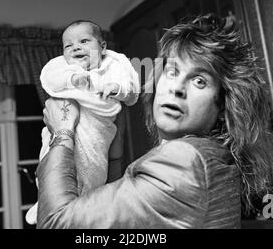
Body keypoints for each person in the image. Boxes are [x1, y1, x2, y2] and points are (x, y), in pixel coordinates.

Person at [36, 14, 273, 229]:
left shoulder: (186, 161)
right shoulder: (212, 157)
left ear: (223, 105)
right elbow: (114, 212)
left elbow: (57, 224)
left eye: (199, 80)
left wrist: (62, 132)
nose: (177, 88)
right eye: (172, 71)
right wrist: (114, 155)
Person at [26, 20, 140, 225]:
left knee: (92, 169)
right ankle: (44, 200)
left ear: (102, 47)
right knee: (50, 161)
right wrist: (72, 79)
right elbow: (51, 79)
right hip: (61, 127)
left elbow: (131, 90)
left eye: (84, 41)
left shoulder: (113, 66)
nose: (76, 47)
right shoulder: (63, 67)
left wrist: (116, 88)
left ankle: (80, 203)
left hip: (97, 131)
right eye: (68, 46)